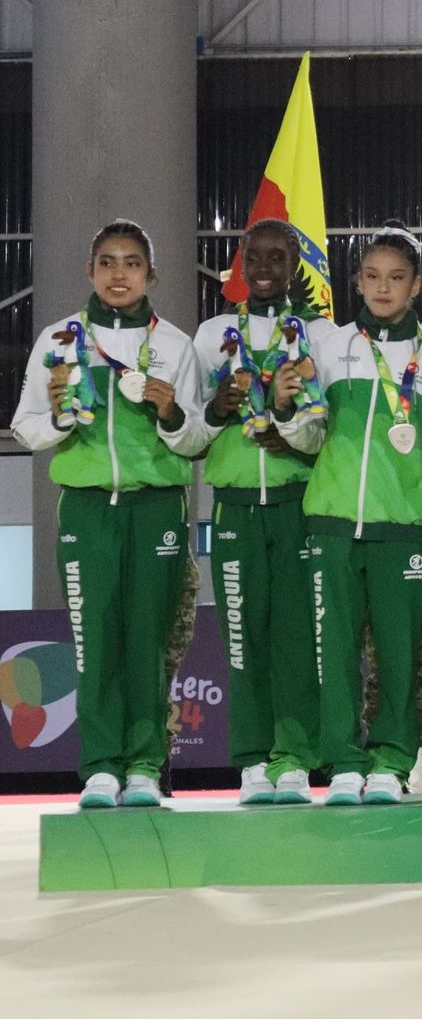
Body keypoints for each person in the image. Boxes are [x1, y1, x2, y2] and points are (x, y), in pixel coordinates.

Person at [11, 221, 211, 810]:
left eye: (130, 263)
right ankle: (99, 766)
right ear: (89, 271)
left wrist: (171, 413)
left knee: (149, 640)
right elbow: (25, 426)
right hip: (88, 509)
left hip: (157, 509)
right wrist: (65, 418)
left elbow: (198, 439)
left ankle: (145, 763)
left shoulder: (175, 344)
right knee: (93, 639)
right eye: (106, 262)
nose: (118, 274)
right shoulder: (58, 341)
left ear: (150, 273)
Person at [276, 224, 422, 806]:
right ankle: (342, 761)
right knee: (333, 651)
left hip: (404, 529)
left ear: (415, 287)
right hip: (333, 526)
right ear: (357, 281)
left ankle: (390, 761)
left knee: (400, 652)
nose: (382, 287)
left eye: (396, 278)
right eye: (372, 276)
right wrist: (288, 406)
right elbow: (311, 437)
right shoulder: (330, 347)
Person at [191, 218, 331, 806]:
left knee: (299, 635)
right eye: (258, 257)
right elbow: (189, 432)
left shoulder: (319, 336)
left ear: (295, 262)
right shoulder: (212, 334)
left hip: (299, 504)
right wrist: (220, 408)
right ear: (240, 263)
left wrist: (293, 434)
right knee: (243, 637)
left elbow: (333, 428)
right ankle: (251, 759)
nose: (268, 268)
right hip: (235, 510)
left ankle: (295, 757)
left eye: (280, 257)